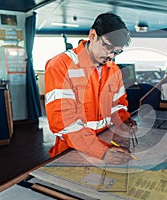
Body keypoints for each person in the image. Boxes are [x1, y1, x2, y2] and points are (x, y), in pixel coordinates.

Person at [45, 12, 137, 165]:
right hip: (71, 150)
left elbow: (118, 106)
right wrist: (101, 152)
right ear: (93, 35)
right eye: (108, 47)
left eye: (117, 51)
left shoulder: (113, 70)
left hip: (105, 144)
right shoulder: (60, 66)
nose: (111, 56)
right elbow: (64, 123)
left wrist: (124, 122)